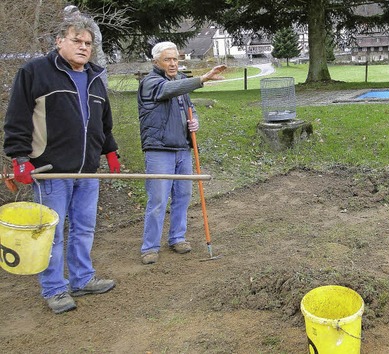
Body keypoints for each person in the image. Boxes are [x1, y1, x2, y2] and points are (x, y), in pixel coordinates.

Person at [3, 17, 121, 314]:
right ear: (59, 41)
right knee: (52, 233)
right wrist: (19, 158)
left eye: (88, 43)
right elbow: (17, 117)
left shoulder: (95, 76)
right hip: (52, 170)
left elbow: (103, 122)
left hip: (87, 170)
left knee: (84, 228)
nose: (83, 48)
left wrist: (110, 151)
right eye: (76, 41)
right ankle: (55, 288)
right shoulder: (36, 72)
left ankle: (82, 278)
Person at [137, 41, 226, 265]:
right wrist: (201, 79)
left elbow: (188, 106)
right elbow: (168, 91)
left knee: (183, 196)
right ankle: (150, 247)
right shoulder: (151, 82)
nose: (173, 63)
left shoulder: (179, 81)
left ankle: (177, 237)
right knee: (158, 199)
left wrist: (194, 120)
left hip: (182, 148)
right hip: (159, 149)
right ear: (156, 61)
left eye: (176, 59)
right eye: (168, 59)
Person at [63, 5, 108, 89]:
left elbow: (97, 39)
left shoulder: (89, 24)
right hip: (79, 62)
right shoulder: (69, 27)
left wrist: (85, 45)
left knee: (100, 86)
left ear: (77, 14)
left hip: (96, 60)